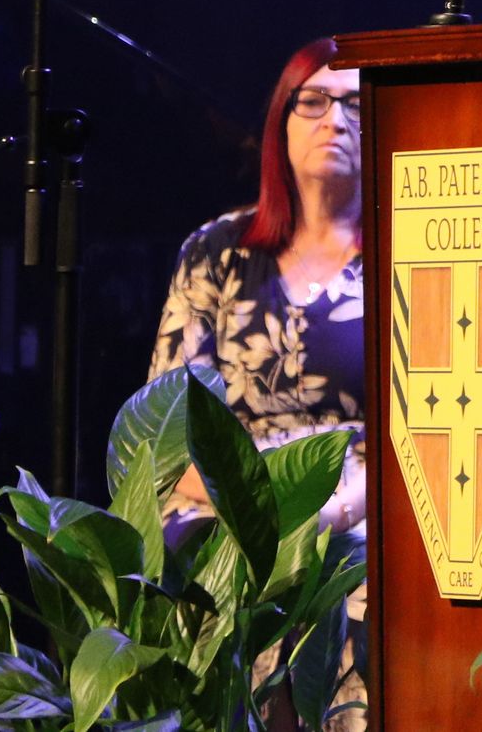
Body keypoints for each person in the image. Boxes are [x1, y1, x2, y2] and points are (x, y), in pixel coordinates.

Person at [151, 37, 367, 725]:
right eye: (315, 101)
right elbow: (169, 418)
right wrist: (250, 511)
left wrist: (328, 514)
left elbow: (420, 428)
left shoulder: (411, 254)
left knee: (352, 571)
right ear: (282, 121)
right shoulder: (215, 251)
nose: (335, 120)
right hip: (226, 500)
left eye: (356, 106)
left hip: (358, 502)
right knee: (192, 557)